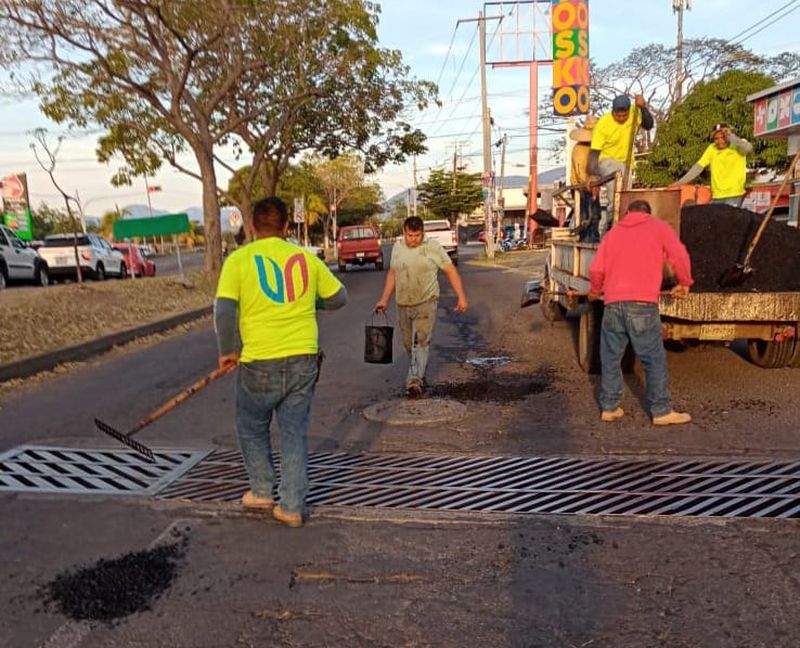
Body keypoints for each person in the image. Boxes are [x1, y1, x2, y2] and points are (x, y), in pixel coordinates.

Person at [214, 196, 347, 528]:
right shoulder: (306, 258)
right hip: (303, 360)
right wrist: (309, 302)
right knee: (294, 433)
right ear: (287, 227)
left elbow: (225, 310)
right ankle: (290, 506)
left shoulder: (239, 260)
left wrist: (228, 350)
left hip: (258, 361)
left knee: (251, 427)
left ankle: (261, 490)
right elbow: (339, 298)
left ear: (253, 227)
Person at [588, 199, 693, 426]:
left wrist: (595, 291)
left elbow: (596, 269)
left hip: (613, 304)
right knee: (653, 359)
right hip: (643, 305)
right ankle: (662, 411)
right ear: (649, 213)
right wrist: (684, 283)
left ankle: (609, 407)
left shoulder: (613, 234)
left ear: (627, 213)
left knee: (611, 357)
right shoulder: (658, 228)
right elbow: (680, 256)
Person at [374, 216, 468, 398]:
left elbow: (450, 270)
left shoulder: (432, 247)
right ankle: (419, 372)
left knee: (421, 342)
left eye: (417, 235)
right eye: (410, 235)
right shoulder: (398, 247)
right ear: (404, 232)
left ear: (423, 233)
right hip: (403, 304)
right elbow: (392, 274)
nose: (413, 239)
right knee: (409, 345)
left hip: (426, 301)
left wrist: (461, 297)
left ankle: (414, 381)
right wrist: (383, 300)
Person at [588, 94, 654, 236]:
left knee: (627, 198)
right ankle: (607, 230)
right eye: (618, 116)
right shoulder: (603, 124)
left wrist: (643, 108)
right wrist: (593, 174)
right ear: (613, 112)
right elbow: (594, 152)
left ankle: (625, 229)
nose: (621, 119)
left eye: (624, 116)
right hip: (606, 160)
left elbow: (649, 125)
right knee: (616, 196)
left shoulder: (634, 113)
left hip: (627, 163)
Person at [674, 123, 753, 207]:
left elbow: (748, 148)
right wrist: (679, 183)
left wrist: (730, 136)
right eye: (716, 138)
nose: (719, 141)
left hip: (734, 194)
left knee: (728, 219)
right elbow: (698, 167)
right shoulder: (712, 148)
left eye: (723, 137)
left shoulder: (738, 144)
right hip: (716, 196)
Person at [569, 115, 601, 241]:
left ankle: (591, 237)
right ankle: (588, 239)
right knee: (588, 215)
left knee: (593, 214)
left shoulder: (592, 148)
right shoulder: (580, 150)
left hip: (590, 185)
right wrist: (591, 187)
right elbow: (581, 174)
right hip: (582, 186)